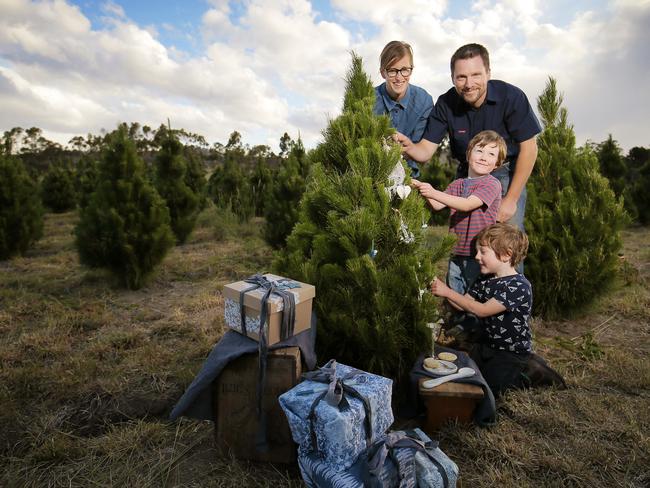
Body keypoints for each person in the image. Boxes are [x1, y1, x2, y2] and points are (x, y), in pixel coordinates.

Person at [395, 43, 542, 230]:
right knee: (462, 239)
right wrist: (410, 147)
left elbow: (529, 149)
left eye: (476, 75)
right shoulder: (446, 103)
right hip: (466, 176)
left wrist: (511, 200)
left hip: (504, 177)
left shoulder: (511, 97)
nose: (469, 84)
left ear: (488, 73)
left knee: (502, 247)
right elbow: (425, 151)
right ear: (453, 78)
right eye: (461, 77)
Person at [430, 223, 565, 395]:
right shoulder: (484, 279)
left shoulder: (518, 286)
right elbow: (464, 304)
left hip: (510, 353)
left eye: (483, 252)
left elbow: (482, 310)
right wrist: (444, 293)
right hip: (487, 346)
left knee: (491, 391)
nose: (477, 256)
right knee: (467, 377)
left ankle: (531, 373)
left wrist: (447, 290)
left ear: (506, 255)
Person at [412, 130, 506, 295]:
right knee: (455, 294)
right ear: (469, 154)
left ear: (497, 164)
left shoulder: (492, 184)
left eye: (491, 154)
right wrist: (420, 187)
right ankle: (456, 319)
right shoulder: (458, 184)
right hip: (457, 251)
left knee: (474, 296)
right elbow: (437, 204)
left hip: (480, 253)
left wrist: (433, 192)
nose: (484, 157)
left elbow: (467, 205)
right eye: (479, 150)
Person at [374, 40, 433, 178]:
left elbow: (419, 149)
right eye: (393, 71)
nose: (399, 77)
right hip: (372, 175)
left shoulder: (424, 101)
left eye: (405, 70)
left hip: (408, 176)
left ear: (411, 69)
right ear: (383, 72)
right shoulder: (368, 99)